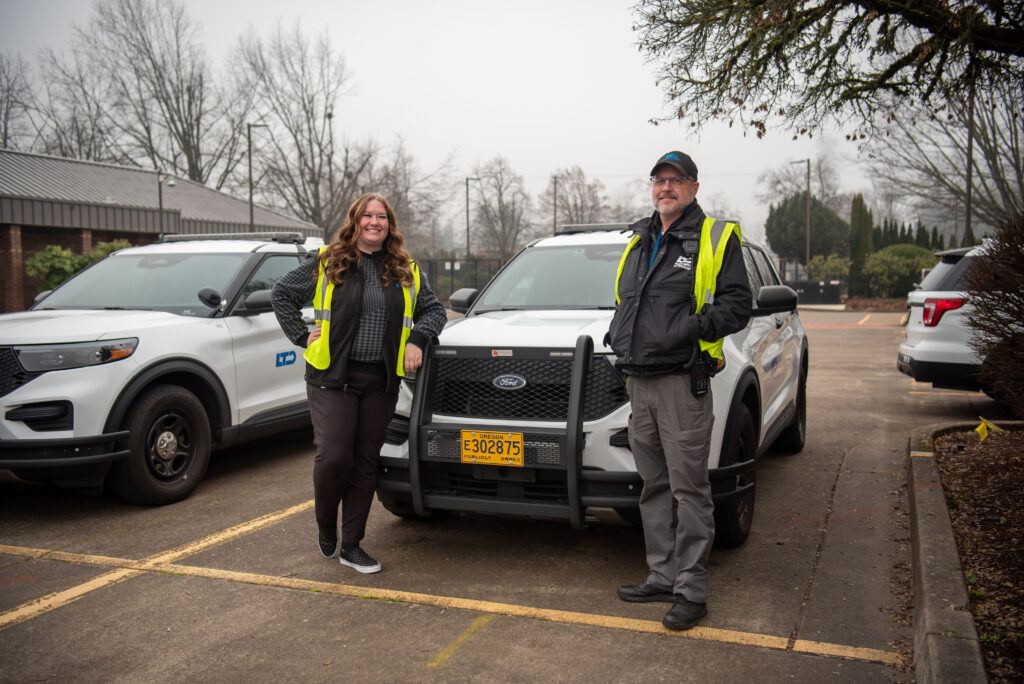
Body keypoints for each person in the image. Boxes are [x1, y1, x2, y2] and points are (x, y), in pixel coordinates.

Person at [606, 151, 752, 630]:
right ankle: (661, 575)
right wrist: (617, 330)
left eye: (676, 180)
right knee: (653, 485)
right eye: (658, 180)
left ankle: (691, 590)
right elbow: (626, 301)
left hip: (681, 382)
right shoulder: (639, 239)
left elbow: (736, 307)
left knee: (690, 489)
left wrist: (685, 330)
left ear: (693, 187)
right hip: (639, 383)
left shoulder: (714, 238)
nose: (665, 187)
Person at [272, 192, 447, 574]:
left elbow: (434, 310)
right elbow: (281, 293)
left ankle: (352, 544)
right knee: (334, 456)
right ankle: (325, 522)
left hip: (380, 380)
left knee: (366, 462)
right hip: (332, 378)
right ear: (355, 221)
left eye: (381, 217)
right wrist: (302, 337)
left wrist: (419, 339)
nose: (374, 222)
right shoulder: (329, 261)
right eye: (367, 215)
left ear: (390, 224)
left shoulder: (406, 268)